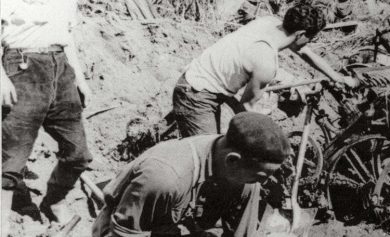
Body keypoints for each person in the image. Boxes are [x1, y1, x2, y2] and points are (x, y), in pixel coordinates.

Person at [172, 4, 359, 137]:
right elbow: (247, 107)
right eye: (311, 38)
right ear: (301, 35)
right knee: (209, 158)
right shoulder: (266, 62)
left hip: (205, 78)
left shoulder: (270, 22)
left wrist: (337, 77)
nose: (310, 42)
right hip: (196, 95)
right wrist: (274, 132)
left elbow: (303, 50)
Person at [92, 112, 291, 237]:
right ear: (232, 160)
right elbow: (124, 233)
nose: (261, 184)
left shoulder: (245, 174)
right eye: (259, 177)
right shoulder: (164, 177)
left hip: (178, 226)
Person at [1, 0, 92, 232]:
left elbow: (67, 38)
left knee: (78, 153)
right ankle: (2, 222)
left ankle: (54, 201)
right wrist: (1, 78)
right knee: (12, 157)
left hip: (61, 69)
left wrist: (80, 79)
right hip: (22, 67)